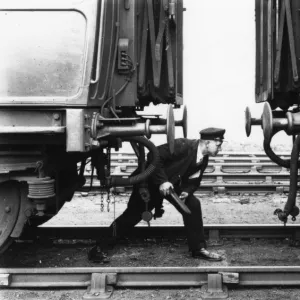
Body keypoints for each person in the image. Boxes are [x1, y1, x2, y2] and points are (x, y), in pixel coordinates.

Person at [89, 127, 225, 262]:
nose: (220, 149)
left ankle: (198, 249)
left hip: (170, 186)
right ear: (208, 142)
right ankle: (99, 247)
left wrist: (186, 192)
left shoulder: (203, 159)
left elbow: (194, 181)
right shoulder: (182, 145)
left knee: (193, 204)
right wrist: (162, 181)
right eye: (218, 145)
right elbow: (154, 156)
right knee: (132, 216)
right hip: (149, 182)